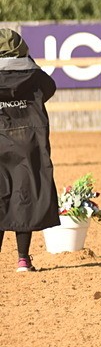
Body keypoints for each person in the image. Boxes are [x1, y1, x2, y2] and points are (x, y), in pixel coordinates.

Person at [0, 28, 59, 272]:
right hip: (28, 139)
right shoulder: (34, 74)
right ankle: (23, 259)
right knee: (23, 196)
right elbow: (50, 88)